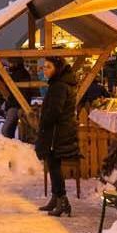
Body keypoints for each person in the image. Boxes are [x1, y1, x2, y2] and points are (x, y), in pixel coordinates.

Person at [36, 57, 80, 217]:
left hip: (56, 132)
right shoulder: (60, 83)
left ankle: (62, 201)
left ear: (57, 68)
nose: (44, 70)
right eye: (43, 67)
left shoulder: (59, 86)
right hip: (61, 130)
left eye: (48, 67)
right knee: (53, 164)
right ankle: (56, 198)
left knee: (54, 166)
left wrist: (43, 121)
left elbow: (55, 111)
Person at [2, 61, 37, 139]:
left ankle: (9, 145)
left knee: (6, 129)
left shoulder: (20, 74)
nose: (9, 64)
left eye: (10, 62)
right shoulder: (16, 73)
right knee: (10, 128)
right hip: (15, 103)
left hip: (16, 104)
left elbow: (23, 92)